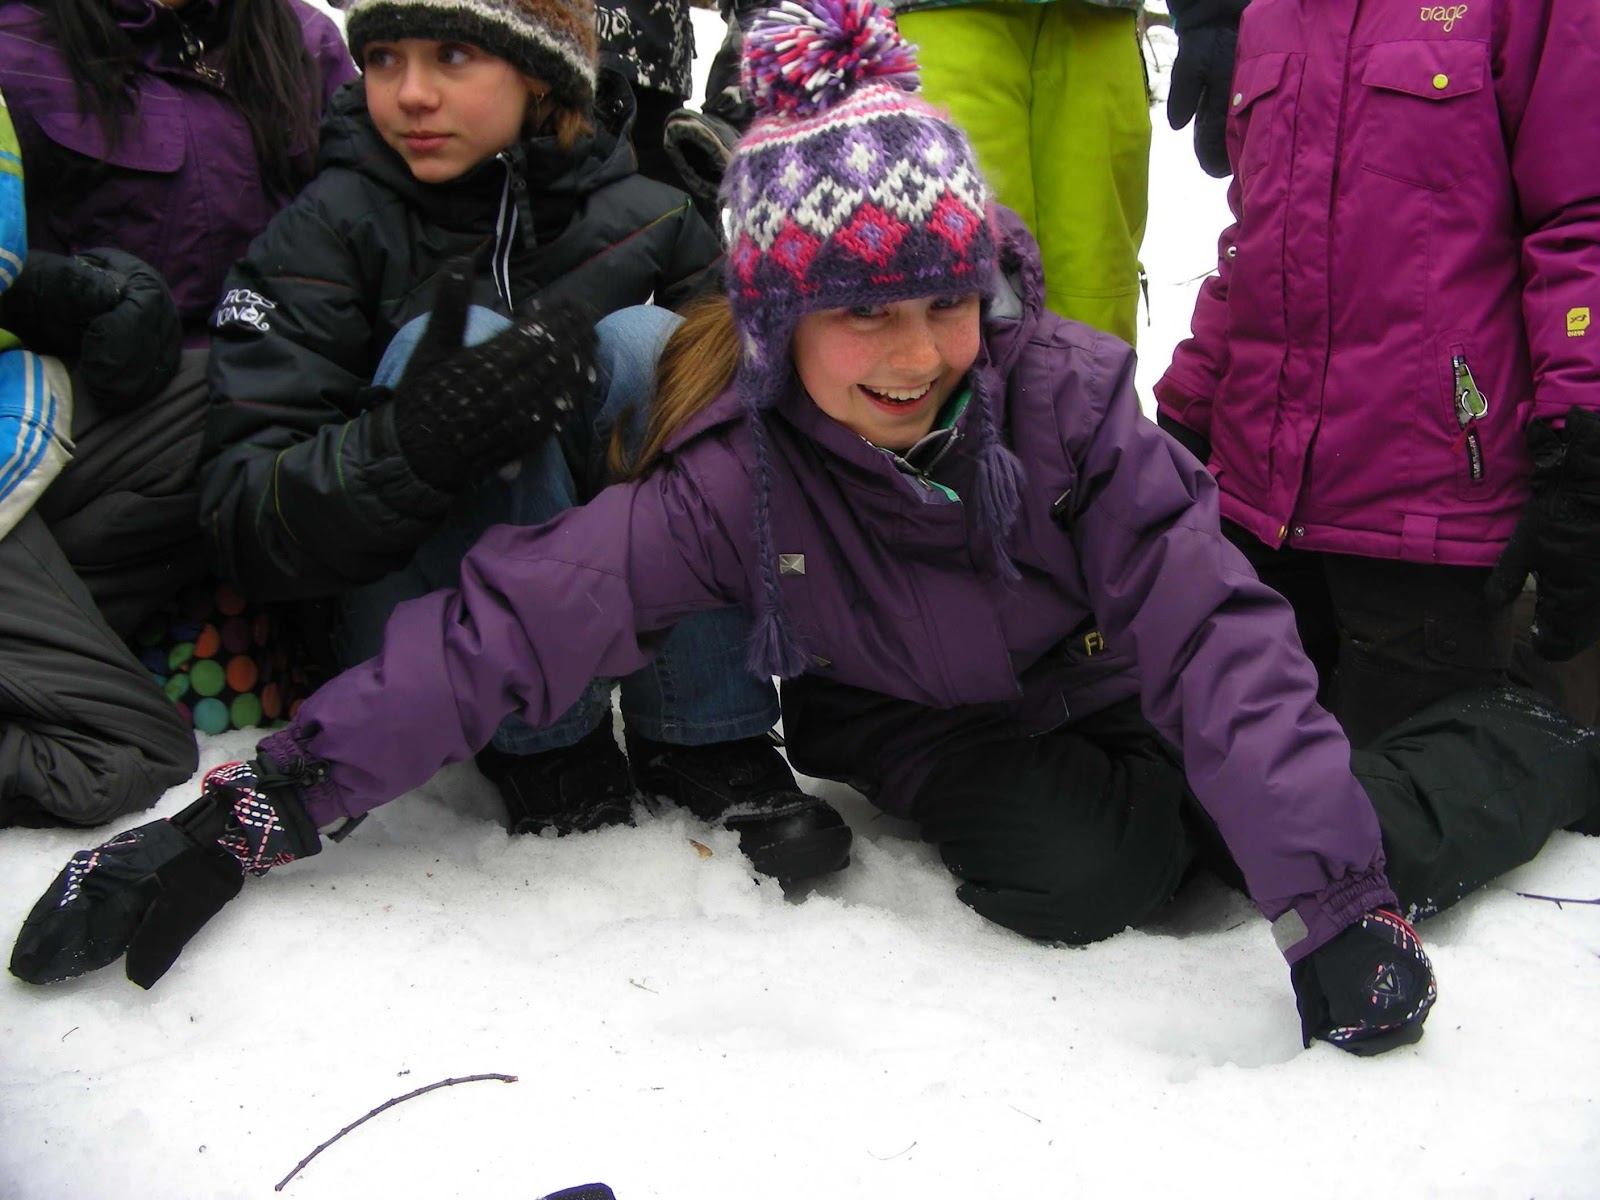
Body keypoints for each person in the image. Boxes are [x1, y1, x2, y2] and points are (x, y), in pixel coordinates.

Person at [14, 0, 1600, 1059]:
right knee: (1079, 865)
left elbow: (1211, 628)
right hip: (922, 725)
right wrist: (258, 808)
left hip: (1110, 683)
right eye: (859, 321)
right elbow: (514, 627)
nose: (912, 358)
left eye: (940, 301)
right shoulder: (736, 477)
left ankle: (1525, 745)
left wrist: (1330, 904)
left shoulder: (1060, 401)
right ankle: (1255, 815)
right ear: (777, 328)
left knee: (1259, 775)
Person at [198, 0, 850, 874]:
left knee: (665, 348)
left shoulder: (654, 215)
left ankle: (704, 729)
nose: (411, 93)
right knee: (460, 339)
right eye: (385, 58)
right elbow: (243, 509)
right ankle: (545, 741)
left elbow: (769, 434)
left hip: (609, 598)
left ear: (545, 72)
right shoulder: (326, 231)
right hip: (403, 618)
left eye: (455, 55)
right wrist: (410, 448)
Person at [1153, 0, 1600, 747]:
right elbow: (1253, 235)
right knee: (1212, 788)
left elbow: (1579, 223)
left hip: (1424, 517)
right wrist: (1186, 407)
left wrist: (1580, 437)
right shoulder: (1269, 13)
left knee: (1384, 814)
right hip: (1260, 507)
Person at [0, 0, 357, 729]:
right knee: (150, 721)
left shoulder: (302, 40)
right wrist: (62, 297)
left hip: (287, 425)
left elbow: (378, 214)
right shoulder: (19, 42)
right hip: (103, 434)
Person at [0, 86, 198, 828]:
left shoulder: (287, 40)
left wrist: (56, 294)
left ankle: (54, 646)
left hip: (20, 409)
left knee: (248, 411)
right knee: (126, 752)